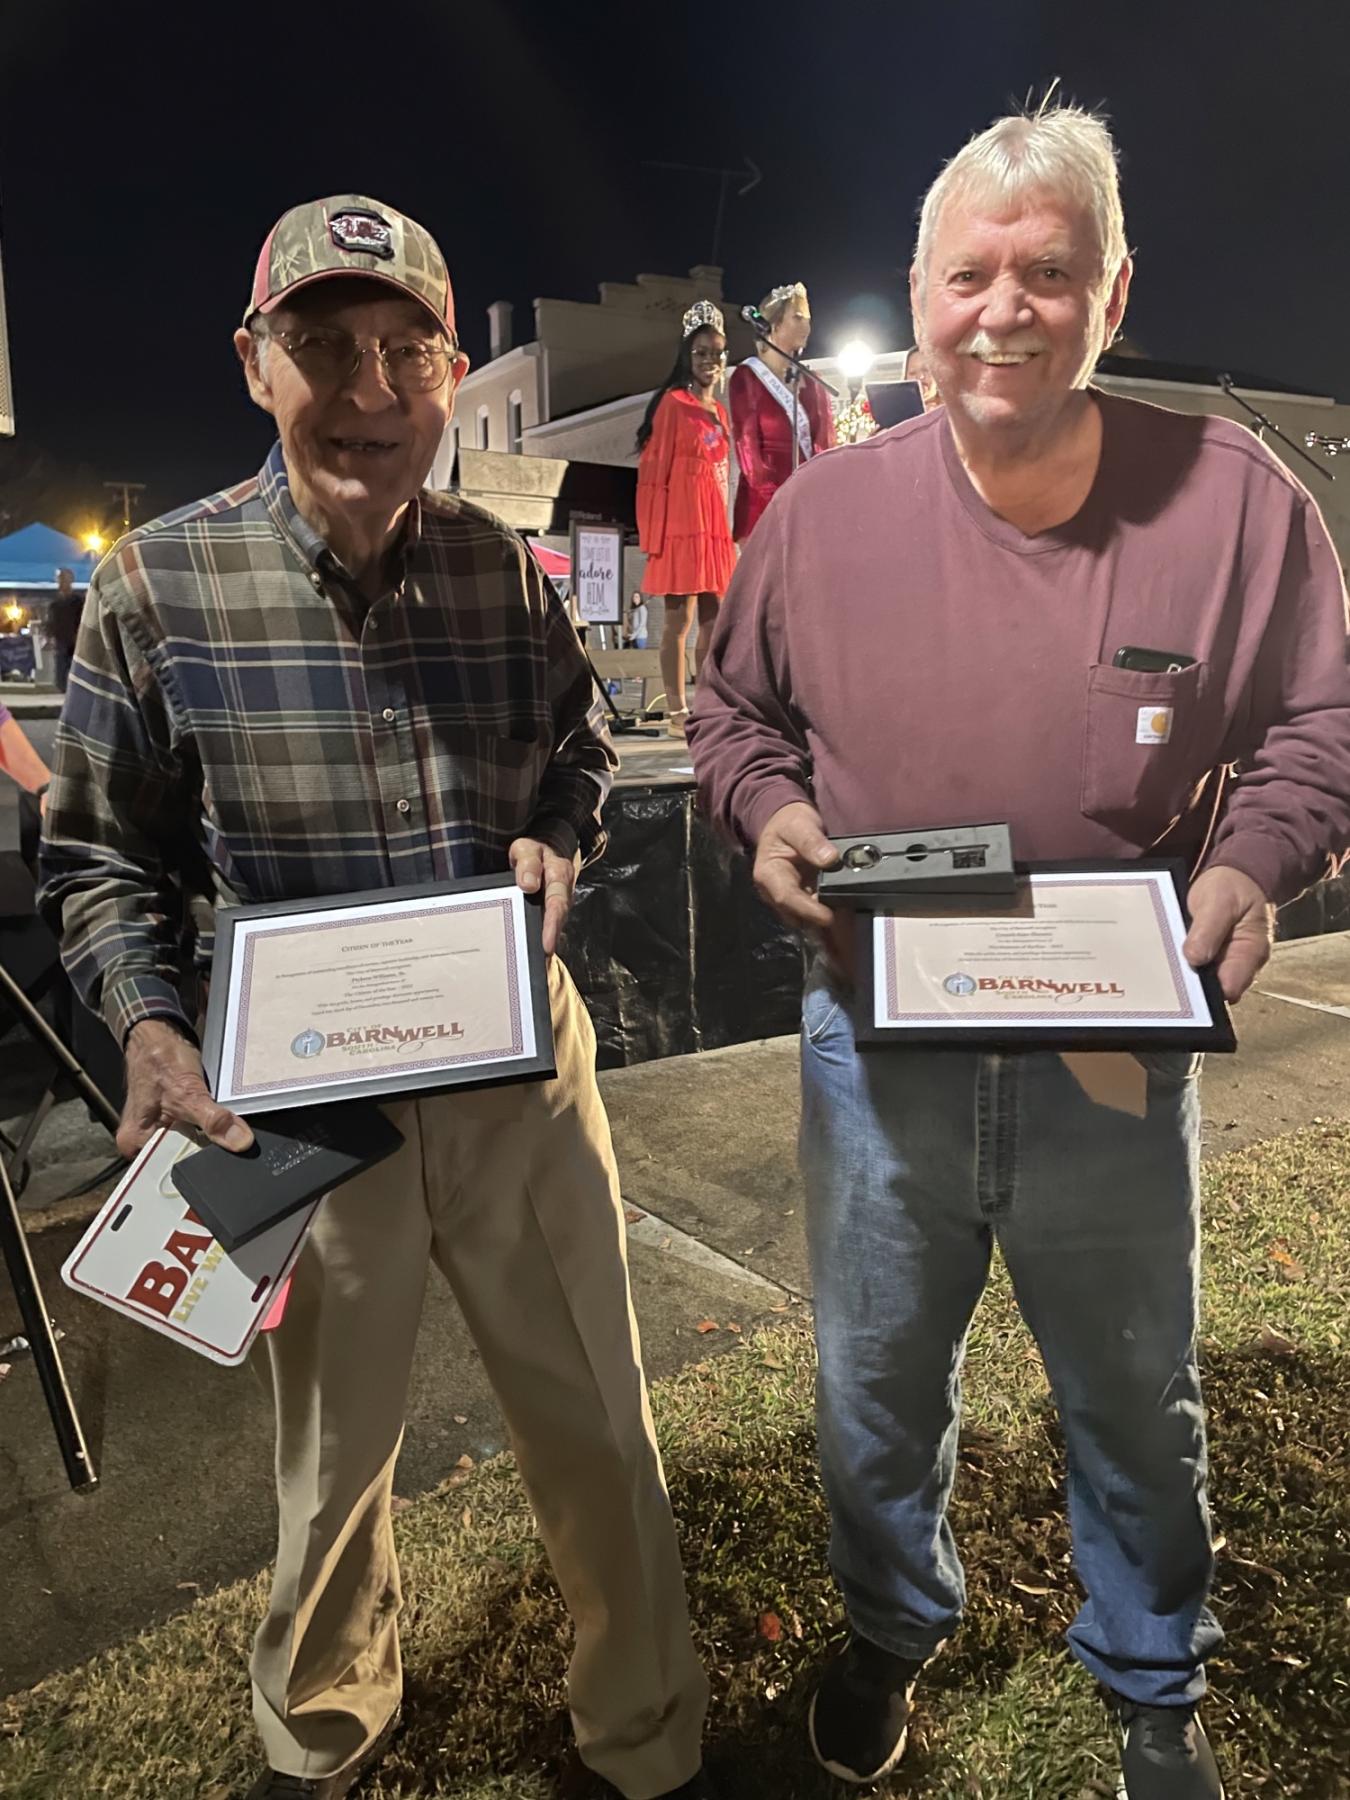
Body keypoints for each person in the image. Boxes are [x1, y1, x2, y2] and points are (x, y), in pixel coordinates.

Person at [689, 105, 1350, 1800]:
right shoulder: (825, 521)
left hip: (1110, 1055)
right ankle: (887, 1633)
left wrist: (1261, 860)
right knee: (872, 1396)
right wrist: (766, 812)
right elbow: (732, 713)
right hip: (874, 1050)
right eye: (968, 274)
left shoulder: (1236, 505)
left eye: (1045, 273)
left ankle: (1152, 1691)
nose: (1004, 308)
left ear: (1113, 293)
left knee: (1137, 1401)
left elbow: (1314, 729)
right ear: (914, 304)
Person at [39, 194, 716, 1800]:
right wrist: (146, 1024)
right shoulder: (156, 587)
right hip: (306, 1100)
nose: (369, 387)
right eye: (322, 347)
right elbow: (100, 858)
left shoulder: (499, 570)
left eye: (407, 349)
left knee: (600, 1431)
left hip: (516, 1080)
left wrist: (557, 831)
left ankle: (645, 1734)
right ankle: (323, 1723)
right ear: (252, 364)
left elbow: (581, 743)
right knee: (331, 1460)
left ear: (446, 369)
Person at [635, 301, 735, 738]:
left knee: (714, 624)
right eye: (700, 352)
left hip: (712, 524)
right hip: (679, 524)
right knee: (679, 622)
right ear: (685, 355)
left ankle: (707, 704)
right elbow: (653, 474)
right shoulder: (672, 405)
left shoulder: (720, 412)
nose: (709, 360)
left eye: (716, 351)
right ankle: (677, 711)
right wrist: (653, 538)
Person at [728, 282, 835, 542]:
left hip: (807, 507)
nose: (806, 326)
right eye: (797, 318)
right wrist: (782, 500)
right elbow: (749, 454)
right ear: (773, 324)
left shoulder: (813, 381)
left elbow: (826, 447)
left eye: (808, 319)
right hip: (763, 509)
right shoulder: (748, 377)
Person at [45, 567, 83, 691]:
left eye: (64, 579)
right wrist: (49, 637)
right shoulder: (54, 603)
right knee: (60, 671)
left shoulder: (78, 601)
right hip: (61, 640)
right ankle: (62, 690)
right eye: (60, 579)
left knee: (74, 669)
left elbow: (82, 620)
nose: (62, 582)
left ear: (71, 580)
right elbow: (51, 622)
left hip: (75, 641)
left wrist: (79, 635)